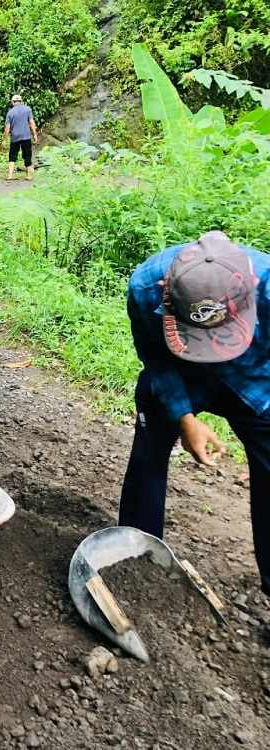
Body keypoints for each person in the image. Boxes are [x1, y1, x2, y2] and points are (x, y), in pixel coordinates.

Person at [119, 231, 270, 598]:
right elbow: (155, 358)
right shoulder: (145, 286)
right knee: (149, 450)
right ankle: (135, 559)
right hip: (181, 367)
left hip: (255, 378)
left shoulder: (268, 285)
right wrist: (184, 417)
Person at [3, 93, 38, 180]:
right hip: (26, 136)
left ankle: (10, 175)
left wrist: (4, 140)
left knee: (12, 156)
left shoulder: (10, 113)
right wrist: (34, 135)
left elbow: (7, 128)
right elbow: (31, 123)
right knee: (27, 155)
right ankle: (29, 175)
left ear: (13, 102)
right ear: (21, 101)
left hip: (15, 137)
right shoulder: (27, 109)